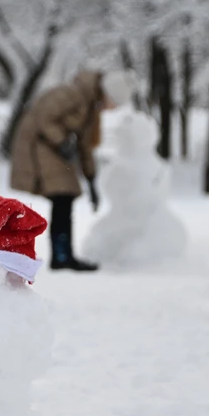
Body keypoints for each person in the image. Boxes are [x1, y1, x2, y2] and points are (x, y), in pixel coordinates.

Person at [9, 69, 135, 271]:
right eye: (115, 103)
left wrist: (91, 179)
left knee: (65, 198)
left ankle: (64, 255)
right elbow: (43, 116)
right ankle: (61, 257)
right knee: (62, 196)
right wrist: (61, 141)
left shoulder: (91, 108)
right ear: (107, 93)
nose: (113, 109)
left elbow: (86, 146)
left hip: (54, 149)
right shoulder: (72, 94)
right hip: (38, 144)